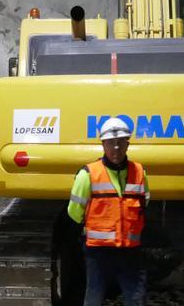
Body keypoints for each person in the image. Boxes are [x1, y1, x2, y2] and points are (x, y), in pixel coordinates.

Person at [66, 117, 150, 306]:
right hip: (98, 253)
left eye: (120, 142)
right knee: (94, 298)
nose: (116, 148)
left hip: (130, 251)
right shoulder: (87, 175)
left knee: (137, 299)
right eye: (111, 143)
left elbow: (144, 204)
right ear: (103, 144)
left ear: (127, 144)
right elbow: (74, 212)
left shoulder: (139, 172)